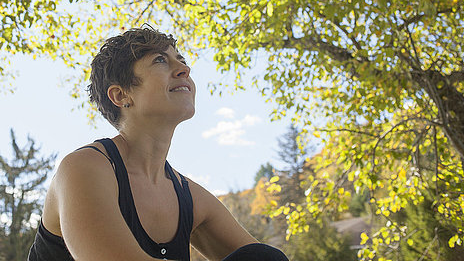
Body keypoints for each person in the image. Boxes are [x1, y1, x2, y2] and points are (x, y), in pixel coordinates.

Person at [28, 26, 289, 261]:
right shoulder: (83, 168)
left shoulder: (189, 196)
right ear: (121, 95)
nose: (184, 69)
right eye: (161, 60)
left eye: (182, 60)